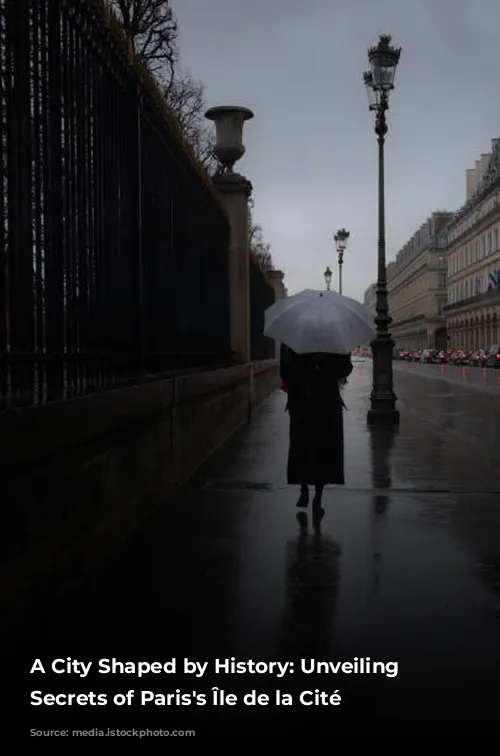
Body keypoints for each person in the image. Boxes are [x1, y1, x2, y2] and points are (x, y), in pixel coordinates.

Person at [280, 343, 353, 508]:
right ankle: (318, 497)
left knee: (302, 445)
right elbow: (345, 369)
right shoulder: (332, 339)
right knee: (324, 448)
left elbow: (284, 372)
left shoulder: (293, 338)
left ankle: (303, 488)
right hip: (326, 399)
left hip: (301, 399)